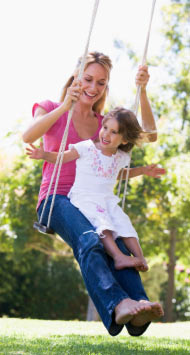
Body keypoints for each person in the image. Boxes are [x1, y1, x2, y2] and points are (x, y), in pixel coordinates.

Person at [23, 51, 164, 336]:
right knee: (91, 240)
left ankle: (139, 306)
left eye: (101, 82)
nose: (93, 87)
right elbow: (28, 135)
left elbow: (150, 134)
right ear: (75, 78)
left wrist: (143, 91)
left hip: (94, 202)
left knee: (120, 249)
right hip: (57, 200)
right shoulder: (51, 107)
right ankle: (118, 303)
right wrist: (66, 105)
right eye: (88, 79)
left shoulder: (105, 124)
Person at [26, 107, 165, 272]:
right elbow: (62, 157)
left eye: (114, 132)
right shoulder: (87, 147)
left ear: (124, 140)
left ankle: (140, 258)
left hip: (107, 200)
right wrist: (44, 155)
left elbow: (118, 174)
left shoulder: (121, 157)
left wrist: (142, 170)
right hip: (84, 197)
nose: (106, 134)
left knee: (123, 223)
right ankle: (118, 256)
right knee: (102, 224)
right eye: (105, 127)